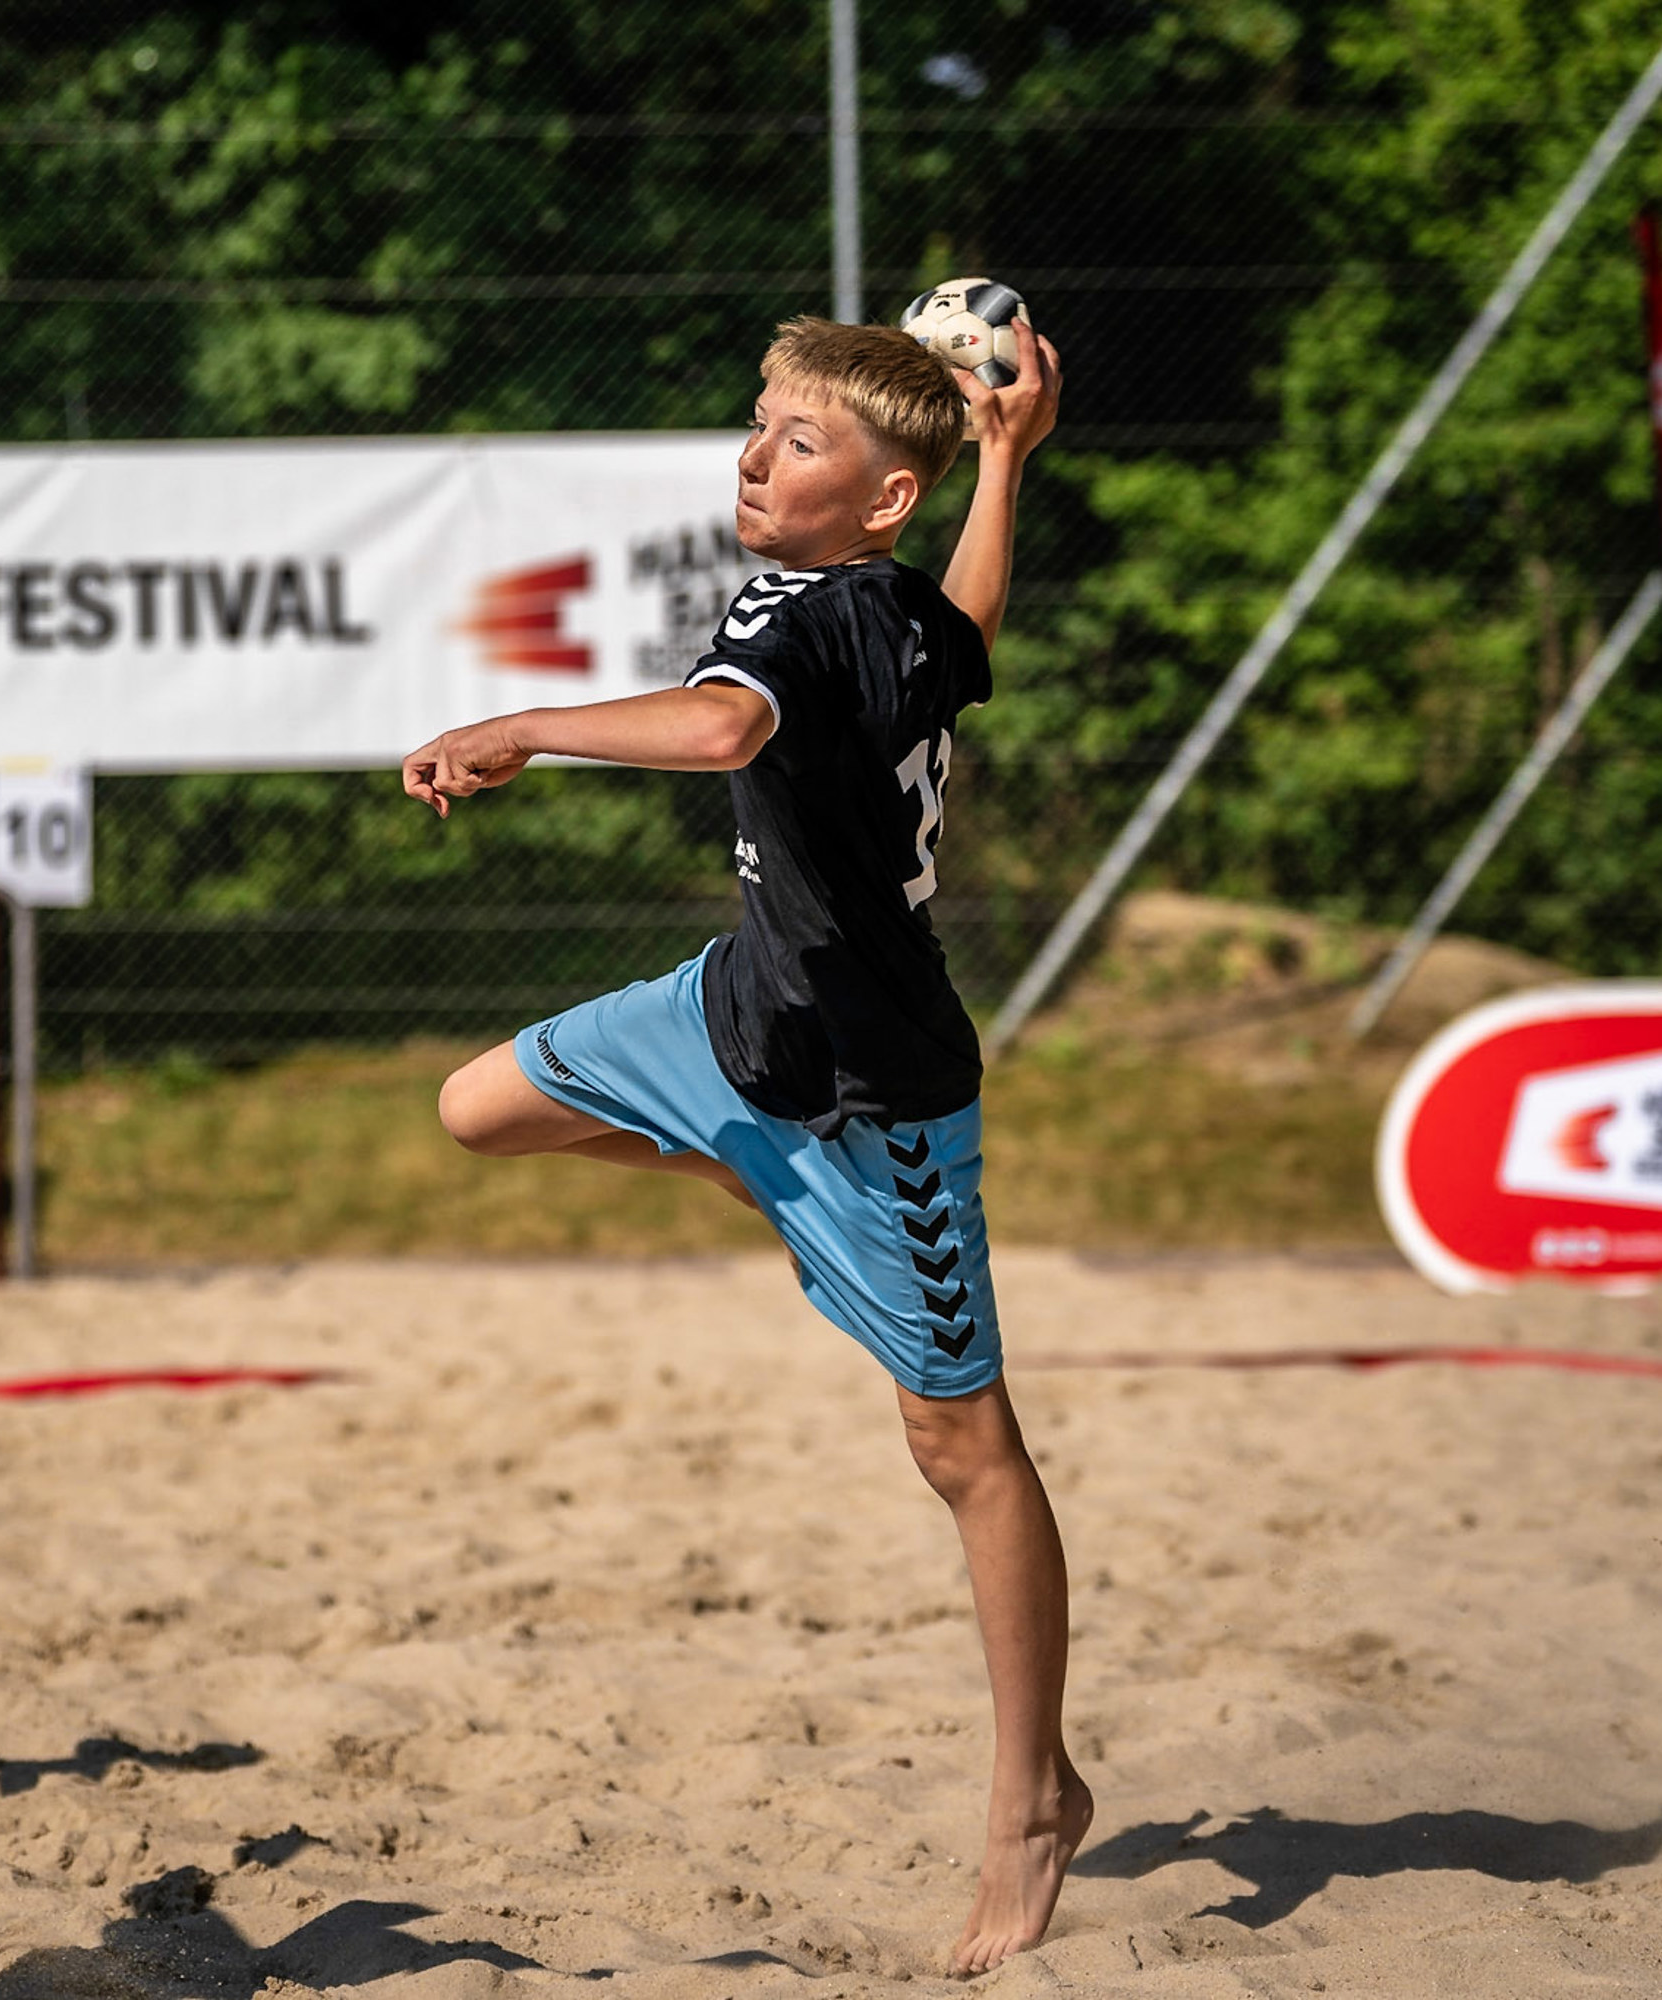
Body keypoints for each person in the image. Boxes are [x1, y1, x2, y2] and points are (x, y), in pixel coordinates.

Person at [400, 317, 1077, 1976]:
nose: (757, 457)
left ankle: (1033, 1798)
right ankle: (744, 1167)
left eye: (800, 442)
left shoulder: (809, 606)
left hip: (878, 1089)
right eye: (760, 424)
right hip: (737, 1012)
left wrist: (525, 725)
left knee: (964, 1449)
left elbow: (720, 734)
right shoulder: (892, 604)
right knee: (480, 1106)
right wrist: (1006, 464)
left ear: (881, 498)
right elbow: (968, 630)